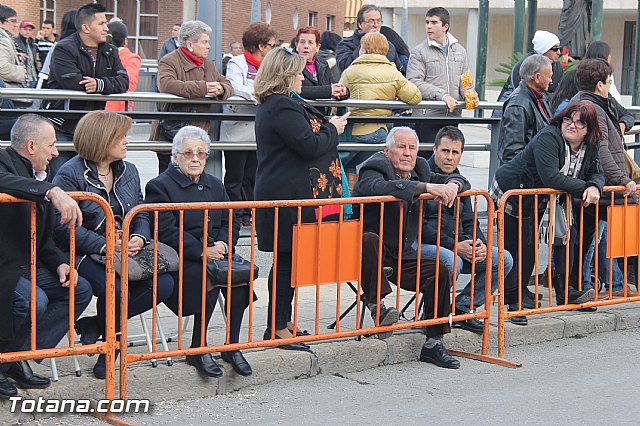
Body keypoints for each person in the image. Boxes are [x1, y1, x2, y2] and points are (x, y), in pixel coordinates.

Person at [52, 111, 174, 379]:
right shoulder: (69, 173)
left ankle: (95, 325)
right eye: (120, 137)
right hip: (86, 252)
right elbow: (64, 229)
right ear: (101, 139)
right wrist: (106, 245)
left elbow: (140, 211)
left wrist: (139, 236)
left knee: (163, 285)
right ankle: (111, 351)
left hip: (125, 249)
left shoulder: (128, 170)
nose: (126, 141)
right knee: (117, 289)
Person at [253, 47, 349, 350]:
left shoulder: (283, 104)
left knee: (292, 261)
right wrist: (333, 129)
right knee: (285, 261)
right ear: (284, 76)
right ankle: (276, 326)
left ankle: (283, 321)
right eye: (296, 73)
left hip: (291, 193)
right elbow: (309, 145)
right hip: (286, 196)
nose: (301, 78)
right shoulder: (281, 106)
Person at [352, 126, 469, 368]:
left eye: (412, 148)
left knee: (440, 270)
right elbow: (379, 187)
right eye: (401, 147)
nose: (407, 153)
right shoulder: (374, 166)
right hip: (369, 256)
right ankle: (377, 307)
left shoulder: (421, 169)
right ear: (387, 150)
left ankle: (434, 343)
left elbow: (456, 179)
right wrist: (425, 188)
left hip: (401, 256)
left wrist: (454, 186)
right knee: (369, 238)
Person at [145, 126, 255, 378]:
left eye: (201, 154)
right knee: (208, 279)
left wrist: (225, 245)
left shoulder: (215, 185)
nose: (195, 158)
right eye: (188, 153)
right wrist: (203, 251)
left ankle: (232, 344)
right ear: (175, 157)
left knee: (239, 278)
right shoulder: (160, 186)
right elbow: (166, 231)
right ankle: (198, 347)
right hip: (183, 257)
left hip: (216, 252)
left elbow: (232, 219)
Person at [0, 114, 91, 399]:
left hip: (28, 263)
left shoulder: (41, 172)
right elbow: (4, 181)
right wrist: (51, 191)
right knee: (33, 300)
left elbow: (43, 236)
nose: (56, 152)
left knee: (80, 289)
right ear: (30, 146)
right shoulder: (4, 162)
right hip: (5, 265)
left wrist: (61, 262)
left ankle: (15, 359)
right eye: (51, 145)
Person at [491, 101, 602, 324]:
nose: (572, 124)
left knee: (566, 239)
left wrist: (595, 186)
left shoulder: (591, 144)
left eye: (580, 122)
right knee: (521, 246)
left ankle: (564, 292)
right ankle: (514, 302)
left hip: (547, 198)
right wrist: (585, 186)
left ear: (588, 129)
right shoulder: (549, 137)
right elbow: (551, 177)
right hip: (515, 192)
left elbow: (597, 171)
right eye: (568, 119)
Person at [422, 126, 513, 333]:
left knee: (502, 258)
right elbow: (421, 226)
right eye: (445, 151)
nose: (449, 157)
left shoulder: (459, 179)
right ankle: (432, 315)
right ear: (434, 149)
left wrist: (480, 244)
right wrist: (455, 246)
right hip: (430, 245)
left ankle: (463, 308)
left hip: (458, 244)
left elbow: (470, 221)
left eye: (455, 153)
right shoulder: (423, 174)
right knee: (450, 260)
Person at [571, 58, 637, 295]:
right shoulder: (593, 107)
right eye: (609, 82)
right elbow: (603, 150)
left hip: (600, 182)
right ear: (599, 85)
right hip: (600, 183)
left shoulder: (599, 103)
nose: (610, 86)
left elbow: (624, 119)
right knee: (590, 238)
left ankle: (586, 285)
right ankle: (583, 286)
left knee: (592, 236)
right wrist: (623, 179)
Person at [44, 2, 129, 176]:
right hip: (63, 127)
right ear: (85, 27)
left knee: (90, 179)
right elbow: (72, 82)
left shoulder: (110, 50)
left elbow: (124, 81)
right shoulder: (64, 48)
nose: (107, 28)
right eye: (101, 23)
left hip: (93, 130)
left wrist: (100, 84)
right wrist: (104, 84)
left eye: (106, 23)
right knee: (61, 179)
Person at [151, 20, 232, 173]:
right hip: (171, 133)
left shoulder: (208, 64)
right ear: (189, 44)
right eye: (204, 42)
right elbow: (166, 84)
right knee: (169, 181)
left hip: (197, 134)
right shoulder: (169, 60)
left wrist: (221, 89)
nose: (209, 46)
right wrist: (204, 88)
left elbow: (226, 82)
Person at [339, 32, 421, 181]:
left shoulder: (350, 71)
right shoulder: (392, 72)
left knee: (344, 163)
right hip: (382, 131)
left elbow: (337, 100)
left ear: (362, 49)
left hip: (357, 132)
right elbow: (415, 96)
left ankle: (348, 196)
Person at [219, 22, 276, 226]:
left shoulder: (270, 65)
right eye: (271, 45)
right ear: (261, 46)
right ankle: (235, 213)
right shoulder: (237, 62)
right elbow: (236, 87)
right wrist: (260, 94)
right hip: (237, 127)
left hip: (258, 127)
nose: (273, 49)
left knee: (253, 174)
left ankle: (248, 213)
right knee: (236, 175)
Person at [407, 7, 478, 154]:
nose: (428, 26)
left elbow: (465, 80)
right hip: (428, 117)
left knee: (449, 160)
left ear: (445, 26)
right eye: (427, 22)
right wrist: (442, 95)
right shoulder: (418, 51)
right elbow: (414, 82)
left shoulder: (460, 50)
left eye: (434, 22)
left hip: (453, 116)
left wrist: (470, 94)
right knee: (428, 161)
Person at [497, 54, 553, 165]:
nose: (551, 81)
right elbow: (512, 151)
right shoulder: (518, 104)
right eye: (549, 76)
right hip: (525, 176)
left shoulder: (541, 98)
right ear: (537, 77)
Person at [295, 26, 348, 114]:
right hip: (299, 114)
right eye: (302, 42)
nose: (306, 46)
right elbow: (295, 90)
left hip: (321, 116)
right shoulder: (289, 63)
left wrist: (342, 91)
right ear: (297, 45)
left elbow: (332, 84)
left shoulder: (323, 64)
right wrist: (329, 91)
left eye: (310, 43)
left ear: (318, 47)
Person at [336, 4, 402, 73]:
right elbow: (344, 68)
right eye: (371, 21)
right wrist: (365, 43)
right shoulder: (345, 44)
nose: (376, 25)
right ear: (360, 24)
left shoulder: (388, 45)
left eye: (378, 21)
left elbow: (400, 72)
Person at [104, 21, 142, 112]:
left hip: (96, 109)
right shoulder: (131, 58)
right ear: (125, 41)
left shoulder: (99, 54)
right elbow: (129, 85)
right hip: (120, 110)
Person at [0, 6, 27, 101]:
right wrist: (21, 71)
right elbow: (2, 68)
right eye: (12, 21)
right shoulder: (3, 40)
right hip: (7, 95)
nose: (16, 25)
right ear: (1, 22)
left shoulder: (6, 39)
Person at [15, 21, 39, 87]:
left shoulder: (32, 44)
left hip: (34, 77)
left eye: (30, 30)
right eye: (25, 29)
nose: (27, 32)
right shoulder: (14, 41)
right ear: (20, 30)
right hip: (23, 78)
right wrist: (18, 54)